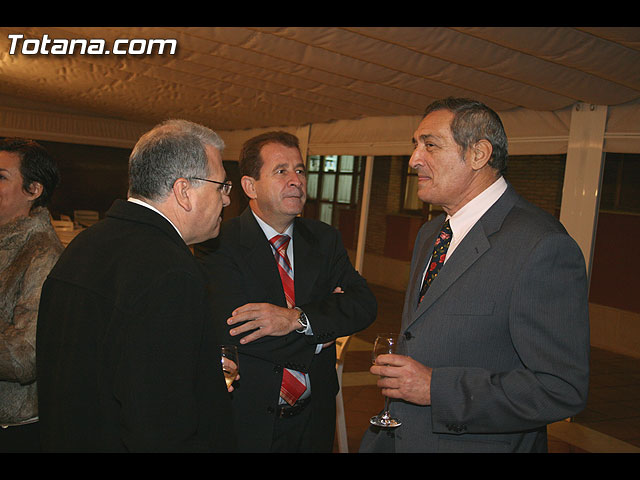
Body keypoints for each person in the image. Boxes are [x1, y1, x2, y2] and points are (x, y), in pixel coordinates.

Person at [359, 98, 590, 453]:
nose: (414, 159)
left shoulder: (541, 245)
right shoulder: (432, 233)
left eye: (430, 145)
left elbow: (560, 388)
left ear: (479, 154)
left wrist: (436, 389)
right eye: (415, 145)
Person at [36, 120, 236, 452]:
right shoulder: (171, 272)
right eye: (222, 186)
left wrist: (196, 368)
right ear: (184, 191)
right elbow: (160, 425)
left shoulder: (85, 244)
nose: (227, 200)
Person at [203, 131, 377, 452]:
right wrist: (321, 335)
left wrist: (298, 319)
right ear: (250, 186)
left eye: (299, 170)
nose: (296, 180)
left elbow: (363, 304)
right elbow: (238, 333)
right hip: (248, 420)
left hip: (314, 418)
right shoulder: (218, 243)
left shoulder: (324, 239)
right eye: (281, 171)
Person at [0, 138, 63, 452]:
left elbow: (25, 356)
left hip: (15, 428)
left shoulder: (43, 253)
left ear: (33, 189)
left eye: (1, 177)